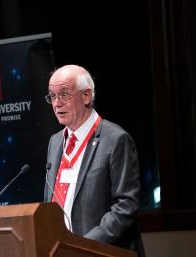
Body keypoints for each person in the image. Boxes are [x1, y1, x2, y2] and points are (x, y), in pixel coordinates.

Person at [43, 64, 145, 257]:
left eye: (64, 94)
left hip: (102, 251)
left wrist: (84, 245)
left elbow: (126, 205)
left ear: (86, 96)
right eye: (52, 96)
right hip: (62, 251)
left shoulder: (115, 139)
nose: (56, 103)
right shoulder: (55, 142)